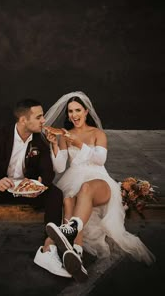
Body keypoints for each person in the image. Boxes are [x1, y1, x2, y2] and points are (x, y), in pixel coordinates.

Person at [43, 91, 155, 282]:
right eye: (70, 111)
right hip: (73, 177)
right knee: (69, 199)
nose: (73, 115)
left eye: (77, 110)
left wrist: (79, 144)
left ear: (86, 111)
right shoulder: (64, 135)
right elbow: (60, 167)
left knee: (85, 188)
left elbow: (100, 159)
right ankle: (76, 252)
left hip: (99, 181)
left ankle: (69, 230)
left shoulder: (98, 134)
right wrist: (54, 145)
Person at [0, 98, 71, 278]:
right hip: (0, 189)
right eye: (39, 117)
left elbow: (48, 173)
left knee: (55, 193)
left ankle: (48, 249)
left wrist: (38, 185)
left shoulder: (40, 141)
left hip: (27, 192)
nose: (43, 120)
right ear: (23, 120)